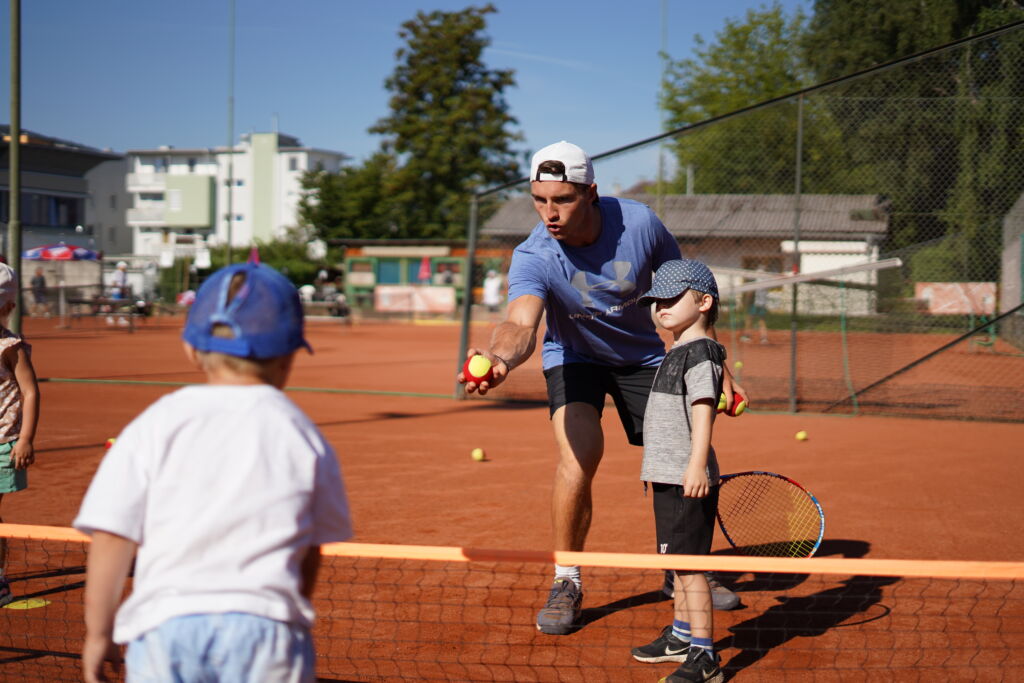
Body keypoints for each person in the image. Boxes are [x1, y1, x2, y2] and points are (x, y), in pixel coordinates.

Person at [457, 141, 743, 635]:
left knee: (687, 454)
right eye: (539, 200)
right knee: (578, 457)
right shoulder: (534, 254)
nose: (550, 213)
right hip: (574, 358)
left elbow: (689, 294)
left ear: (590, 193)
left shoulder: (640, 224)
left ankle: (684, 569)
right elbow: (520, 324)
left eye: (562, 200)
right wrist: (500, 358)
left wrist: (715, 361)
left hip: (643, 357)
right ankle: (566, 579)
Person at [74, 261, 353, 683]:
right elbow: (312, 548)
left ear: (190, 349)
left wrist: (99, 633)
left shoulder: (154, 424)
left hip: (165, 627)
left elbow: (113, 535)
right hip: (269, 633)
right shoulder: (302, 434)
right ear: (290, 355)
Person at [630, 259, 725, 683]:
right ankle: (682, 637)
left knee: (690, 566)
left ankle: (705, 656)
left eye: (671, 298)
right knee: (676, 563)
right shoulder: (678, 351)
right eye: (657, 301)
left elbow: (704, 410)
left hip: (687, 477)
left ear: (703, 302)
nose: (661, 307)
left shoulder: (702, 351)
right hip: (668, 475)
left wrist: (696, 465)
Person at [0, 264, 40, 607]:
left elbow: (30, 392)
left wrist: (25, 439)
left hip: (3, 443)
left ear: (8, 306)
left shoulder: (10, 346)